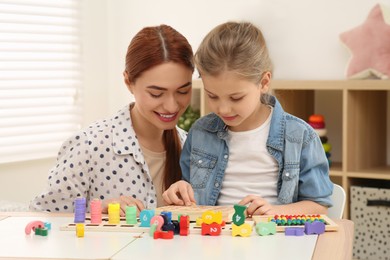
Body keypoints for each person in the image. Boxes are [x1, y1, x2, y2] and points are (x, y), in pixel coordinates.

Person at [162, 21, 334, 216]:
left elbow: (319, 205)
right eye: (212, 96)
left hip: (274, 239)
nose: (223, 108)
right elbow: (189, 196)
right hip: (213, 239)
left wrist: (276, 211)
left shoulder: (299, 136)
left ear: (264, 82)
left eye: (236, 98)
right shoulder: (201, 132)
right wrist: (181, 190)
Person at [29, 24, 194, 215]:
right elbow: (41, 218)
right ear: (128, 82)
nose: (172, 106)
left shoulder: (190, 147)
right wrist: (98, 211)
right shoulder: (89, 146)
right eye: (156, 94)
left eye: (183, 91)